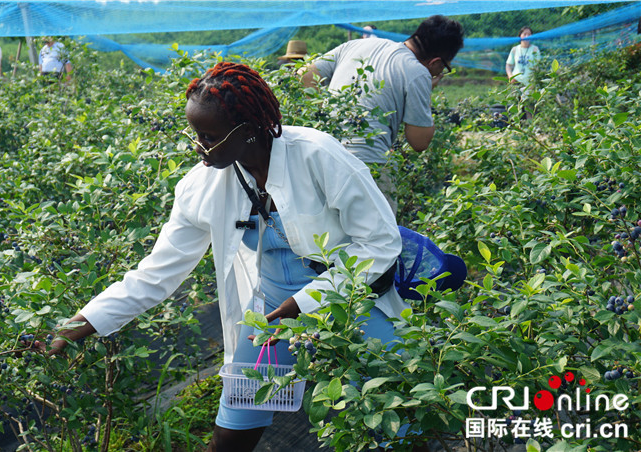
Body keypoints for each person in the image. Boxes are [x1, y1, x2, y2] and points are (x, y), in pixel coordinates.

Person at [47, 62, 406, 451]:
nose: (199, 147)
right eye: (196, 134)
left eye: (209, 136)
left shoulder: (318, 156)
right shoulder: (202, 187)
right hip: (270, 313)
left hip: (351, 299)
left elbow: (379, 243)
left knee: (398, 414)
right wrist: (80, 324)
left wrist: (304, 303)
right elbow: (156, 272)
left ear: (249, 132)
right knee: (232, 428)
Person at [301, 15, 464, 214]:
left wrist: (322, 114)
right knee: (378, 240)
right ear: (436, 62)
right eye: (444, 68)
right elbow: (419, 142)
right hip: (370, 165)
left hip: (324, 155)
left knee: (330, 237)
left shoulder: (355, 46)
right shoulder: (416, 71)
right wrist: (426, 92)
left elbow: (305, 75)